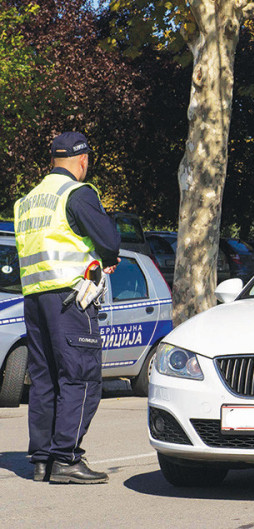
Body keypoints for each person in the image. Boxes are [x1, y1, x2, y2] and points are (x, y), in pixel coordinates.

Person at [14, 132, 120, 484]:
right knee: (80, 376)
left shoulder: (27, 201)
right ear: (83, 160)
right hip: (70, 299)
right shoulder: (77, 194)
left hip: (34, 298)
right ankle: (66, 459)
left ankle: (42, 458)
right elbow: (108, 240)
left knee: (43, 379)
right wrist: (108, 256)